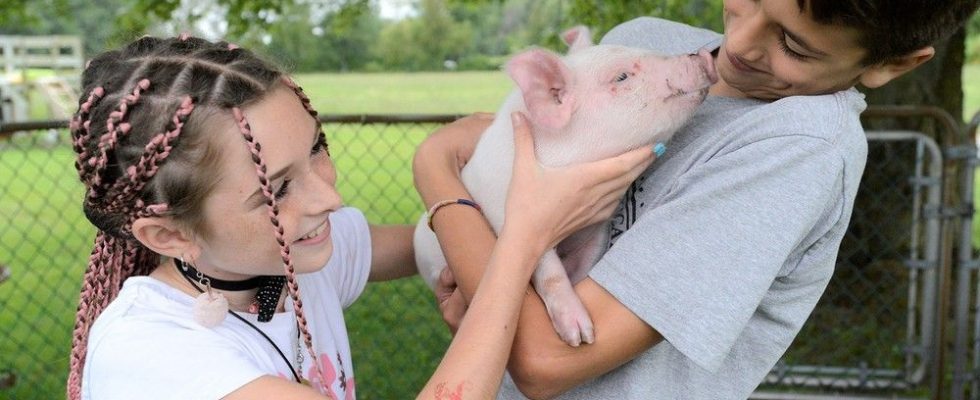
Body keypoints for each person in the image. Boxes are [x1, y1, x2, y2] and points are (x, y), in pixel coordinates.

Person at [415, 1, 980, 399]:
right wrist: (482, 275)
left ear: (892, 64)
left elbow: (544, 361)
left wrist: (438, 177)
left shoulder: (797, 149)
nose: (737, 43)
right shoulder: (648, 42)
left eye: (791, 44)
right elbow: (502, 155)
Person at [65, 35, 656, 399]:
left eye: (318, 150)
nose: (328, 199)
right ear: (169, 234)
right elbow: (483, 245)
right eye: (277, 190)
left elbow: (440, 241)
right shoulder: (154, 357)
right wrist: (460, 189)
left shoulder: (285, 260)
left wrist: (512, 171)